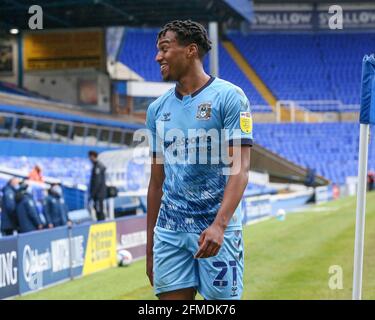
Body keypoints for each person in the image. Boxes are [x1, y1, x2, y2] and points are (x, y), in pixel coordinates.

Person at [146, 20, 252, 300]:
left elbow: (239, 170)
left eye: (164, 49)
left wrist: (220, 225)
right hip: (170, 231)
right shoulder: (156, 110)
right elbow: (156, 182)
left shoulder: (230, 97)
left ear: (191, 50)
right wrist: (150, 247)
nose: (158, 56)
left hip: (216, 231)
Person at [88, 150, 107, 221]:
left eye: (89, 157)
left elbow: (97, 182)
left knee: (99, 211)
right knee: (98, 209)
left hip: (98, 194)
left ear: (92, 157)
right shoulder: (97, 166)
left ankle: (102, 225)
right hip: (98, 194)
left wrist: (92, 194)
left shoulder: (98, 167)